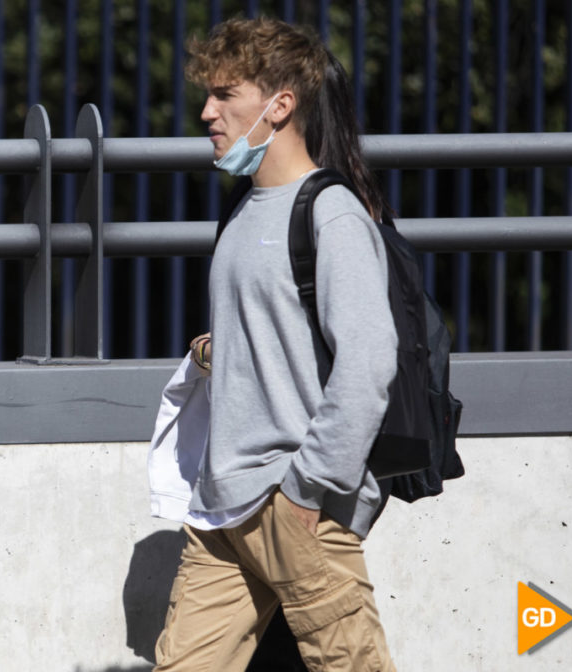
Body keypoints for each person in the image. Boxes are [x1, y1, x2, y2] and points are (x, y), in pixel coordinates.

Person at [153, 17, 399, 672]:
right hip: (222, 507)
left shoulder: (331, 212)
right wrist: (215, 351)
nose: (207, 111)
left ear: (280, 105)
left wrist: (306, 489)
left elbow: (370, 361)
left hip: (293, 497)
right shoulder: (241, 211)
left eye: (225, 94)